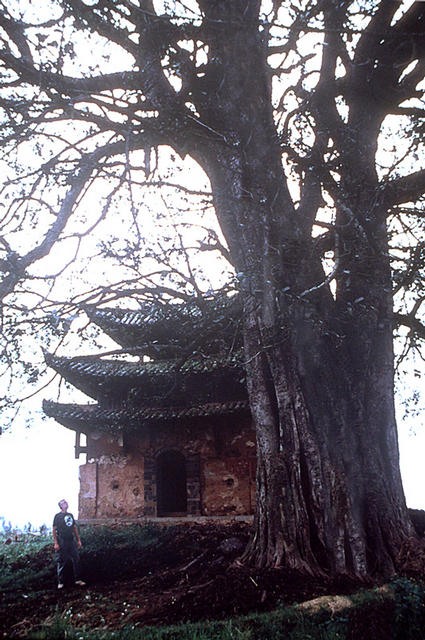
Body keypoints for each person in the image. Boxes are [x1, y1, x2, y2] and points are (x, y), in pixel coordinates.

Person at [52, 499, 86, 590]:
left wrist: (78, 540)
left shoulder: (70, 515)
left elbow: (74, 528)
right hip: (61, 540)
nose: (66, 503)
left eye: (66, 502)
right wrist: (56, 543)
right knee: (62, 561)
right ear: (60, 506)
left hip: (71, 540)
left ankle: (78, 579)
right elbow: (54, 529)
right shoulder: (57, 516)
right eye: (63, 503)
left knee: (76, 559)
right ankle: (61, 582)